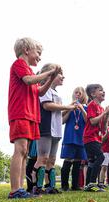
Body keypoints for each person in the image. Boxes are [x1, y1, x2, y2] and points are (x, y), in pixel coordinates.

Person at [7, 37, 60, 199]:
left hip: (31, 115)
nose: (39, 57)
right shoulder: (19, 65)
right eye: (38, 53)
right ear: (26, 50)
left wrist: (50, 78)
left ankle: (20, 189)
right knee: (20, 150)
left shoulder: (30, 70)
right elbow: (29, 81)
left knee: (25, 153)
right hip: (20, 112)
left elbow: (39, 91)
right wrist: (49, 72)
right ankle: (15, 189)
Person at [32, 63, 75, 195]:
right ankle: (36, 186)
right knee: (43, 158)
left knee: (52, 159)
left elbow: (57, 115)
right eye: (60, 74)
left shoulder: (56, 93)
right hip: (46, 128)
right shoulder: (44, 90)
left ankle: (50, 186)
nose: (63, 76)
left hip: (56, 130)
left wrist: (68, 109)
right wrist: (67, 107)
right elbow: (47, 106)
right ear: (50, 74)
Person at [83, 84, 109, 192]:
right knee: (100, 157)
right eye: (100, 90)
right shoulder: (92, 105)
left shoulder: (101, 108)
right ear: (93, 94)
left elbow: (103, 128)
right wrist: (104, 113)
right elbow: (92, 121)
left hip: (97, 138)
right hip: (89, 137)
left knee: (92, 161)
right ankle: (92, 183)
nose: (103, 92)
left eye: (103, 90)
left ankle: (88, 185)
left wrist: (106, 116)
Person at [60, 86, 88, 191]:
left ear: (84, 95)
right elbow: (62, 121)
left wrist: (81, 107)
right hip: (70, 137)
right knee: (68, 160)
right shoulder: (69, 107)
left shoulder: (86, 108)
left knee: (78, 161)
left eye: (80, 93)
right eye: (76, 92)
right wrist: (70, 109)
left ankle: (75, 185)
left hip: (81, 138)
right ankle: (64, 185)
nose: (78, 94)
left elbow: (87, 121)